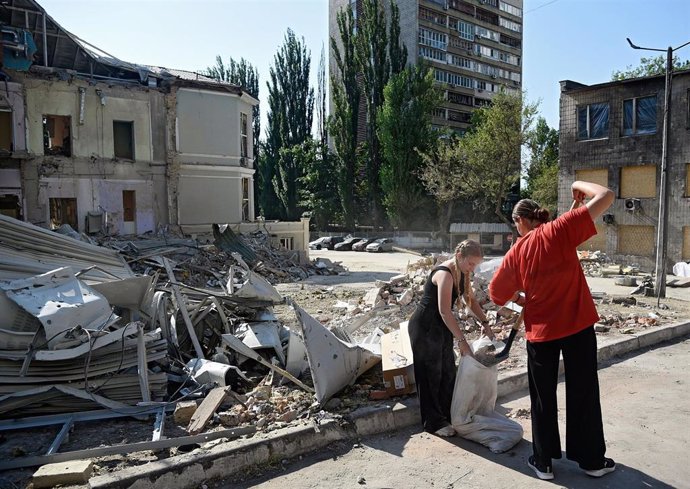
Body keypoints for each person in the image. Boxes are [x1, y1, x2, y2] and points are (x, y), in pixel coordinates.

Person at [489, 181, 616, 481]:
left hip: (541, 332)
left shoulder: (517, 251)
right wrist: (577, 185)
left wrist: (521, 298)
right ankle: (592, 461)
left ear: (520, 220)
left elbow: (496, 293)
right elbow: (606, 196)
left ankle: (543, 461)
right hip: (578, 326)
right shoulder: (560, 230)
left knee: (542, 397)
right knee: (583, 392)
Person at [408, 239, 494, 437]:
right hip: (425, 327)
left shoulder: (462, 273)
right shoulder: (445, 274)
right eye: (471, 264)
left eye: (476, 265)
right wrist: (462, 341)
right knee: (430, 375)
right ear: (459, 256)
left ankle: (448, 414)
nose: (472, 268)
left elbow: (469, 300)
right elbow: (445, 311)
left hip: (441, 327)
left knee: (447, 371)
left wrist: (486, 323)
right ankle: (433, 423)